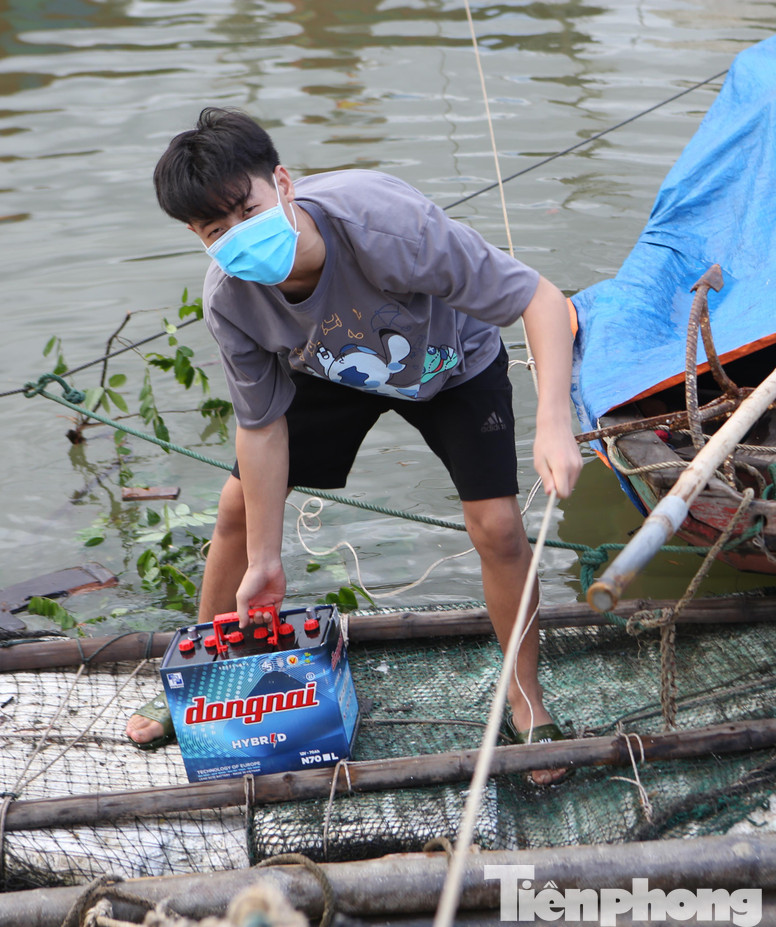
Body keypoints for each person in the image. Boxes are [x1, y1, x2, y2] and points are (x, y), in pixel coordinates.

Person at [126, 107, 582, 785]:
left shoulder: (387, 228)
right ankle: (206, 679)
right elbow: (259, 425)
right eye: (215, 230)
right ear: (197, 236)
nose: (238, 237)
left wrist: (553, 421)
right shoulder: (230, 298)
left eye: (246, 211)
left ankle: (526, 697)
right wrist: (266, 558)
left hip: (449, 363)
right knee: (236, 510)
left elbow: (540, 300)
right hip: (330, 370)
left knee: (499, 528)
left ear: (282, 183)